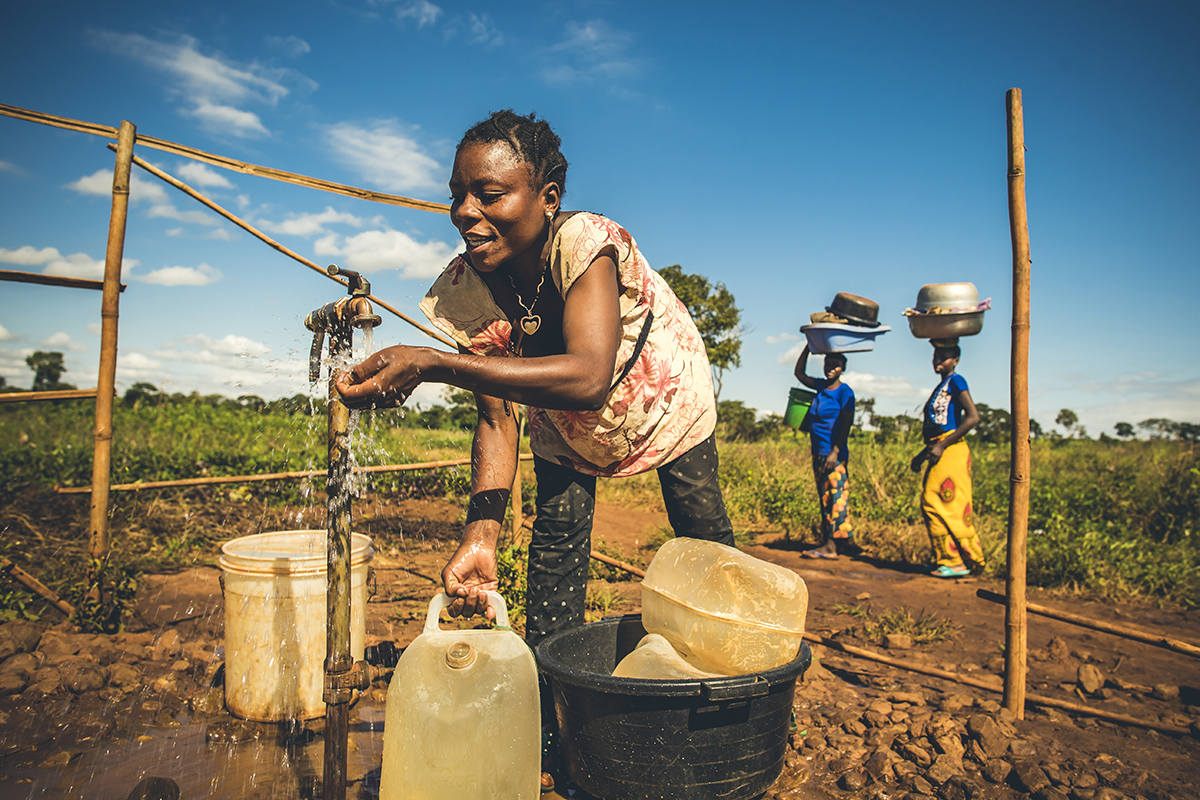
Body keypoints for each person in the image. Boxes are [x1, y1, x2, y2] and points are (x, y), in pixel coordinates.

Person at [335, 110, 735, 759]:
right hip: (565, 426)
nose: (466, 211)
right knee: (555, 547)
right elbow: (496, 415)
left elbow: (586, 377)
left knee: (704, 545)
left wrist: (435, 362)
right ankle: (559, 721)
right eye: (456, 195)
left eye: (488, 194)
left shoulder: (582, 244)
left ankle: (731, 700)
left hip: (660, 396)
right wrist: (480, 534)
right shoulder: (468, 291)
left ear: (547, 197)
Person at [911, 343, 985, 578]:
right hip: (940, 448)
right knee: (934, 503)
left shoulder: (956, 381)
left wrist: (942, 445)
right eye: (936, 356)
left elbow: (973, 417)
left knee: (939, 503)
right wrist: (922, 455)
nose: (938, 361)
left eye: (944, 357)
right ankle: (947, 559)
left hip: (951, 450)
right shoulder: (941, 386)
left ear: (956, 360)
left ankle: (957, 561)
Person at [793, 344, 856, 558]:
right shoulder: (821, 388)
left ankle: (831, 547)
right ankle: (832, 542)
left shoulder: (844, 392)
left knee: (836, 498)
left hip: (833, 456)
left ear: (843, 367)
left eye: (836, 365)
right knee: (825, 498)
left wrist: (835, 452)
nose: (831, 368)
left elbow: (847, 424)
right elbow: (799, 373)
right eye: (828, 363)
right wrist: (808, 347)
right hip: (818, 453)